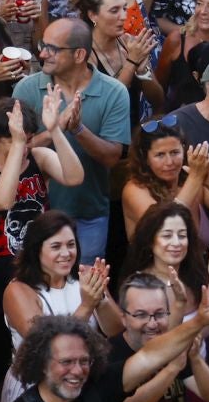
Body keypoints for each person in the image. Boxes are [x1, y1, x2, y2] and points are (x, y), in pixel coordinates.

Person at [9, 16, 130, 261]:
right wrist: (56, 127)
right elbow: (13, 151)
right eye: (43, 46)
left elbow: (112, 157)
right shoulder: (27, 89)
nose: (42, 54)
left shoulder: (114, 92)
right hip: (33, 216)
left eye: (53, 49)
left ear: (79, 55)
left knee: (85, 288)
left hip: (88, 215)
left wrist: (78, 130)